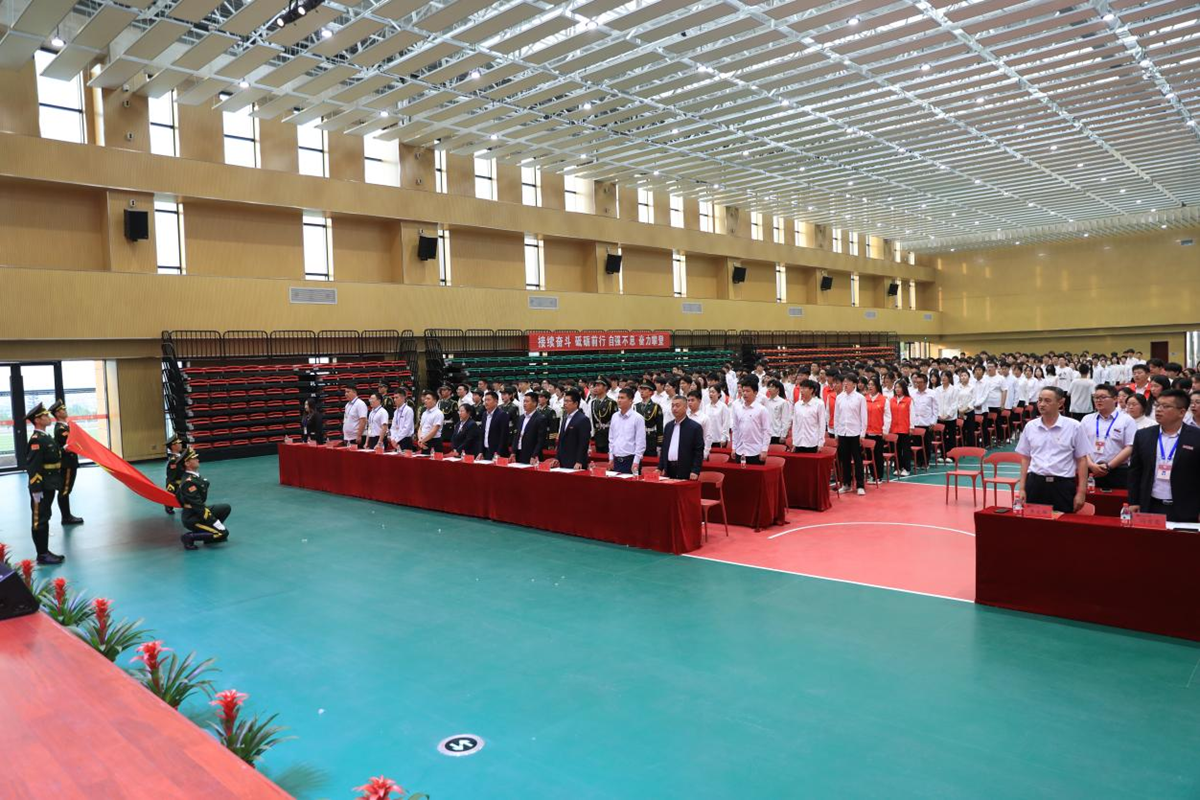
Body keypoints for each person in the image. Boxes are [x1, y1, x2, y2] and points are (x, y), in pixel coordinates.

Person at [1128, 389, 1200, 522]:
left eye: (1166, 406)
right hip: (1150, 504)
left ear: (1182, 412)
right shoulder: (1143, 435)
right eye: (1157, 405)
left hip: (1186, 507)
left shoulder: (1196, 437)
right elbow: (1135, 471)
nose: (1159, 410)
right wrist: (1134, 501)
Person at [1015, 387, 1090, 513]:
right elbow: (1025, 459)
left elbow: (1082, 460)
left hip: (1062, 485)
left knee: (1062, 522)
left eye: (1047, 401)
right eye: (1040, 400)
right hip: (1035, 483)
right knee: (1034, 522)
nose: (1042, 404)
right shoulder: (1030, 427)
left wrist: (1082, 492)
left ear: (1060, 403)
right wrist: (1022, 488)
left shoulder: (1074, 426)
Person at [24, 403, 65, 564]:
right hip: (41, 486)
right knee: (39, 519)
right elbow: (33, 467)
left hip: (50, 483)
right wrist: (36, 489)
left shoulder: (46, 437)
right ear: (38, 420)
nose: (49, 418)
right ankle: (42, 554)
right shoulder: (36, 440)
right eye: (45, 416)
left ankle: (45, 551)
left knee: (45, 516)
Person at [1081, 384, 1136, 491]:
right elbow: (1081, 445)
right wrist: (1091, 465)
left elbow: (1130, 447)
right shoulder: (1087, 419)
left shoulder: (1127, 420)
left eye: (1103, 397)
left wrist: (1109, 466)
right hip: (1091, 470)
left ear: (1115, 399)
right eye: (1096, 397)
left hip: (1118, 470)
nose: (1098, 400)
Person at [175, 447, 231, 551]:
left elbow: (178, 495)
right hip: (192, 518)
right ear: (187, 463)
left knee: (225, 508)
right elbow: (199, 506)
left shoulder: (193, 476)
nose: (197, 459)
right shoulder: (188, 482)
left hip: (197, 511)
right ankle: (189, 537)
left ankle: (208, 535)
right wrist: (215, 523)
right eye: (194, 458)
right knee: (223, 533)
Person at [49, 399, 84, 525]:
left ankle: (67, 516)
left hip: (70, 462)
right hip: (67, 463)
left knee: (65, 490)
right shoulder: (60, 429)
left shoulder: (65, 426)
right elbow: (67, 445)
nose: (65, 410)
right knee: (64, 490)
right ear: (57, 414)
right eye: (62, 409)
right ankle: (66, 517)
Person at [834, 373, 868, 495]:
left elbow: (863, 417)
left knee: (858, 460)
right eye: (844, 381)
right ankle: (846, 484)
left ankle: (860, 485)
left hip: (855, 433)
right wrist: (836, 433)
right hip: (843, 432)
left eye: (848, 382)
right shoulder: (839, 397)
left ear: (854, 384)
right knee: (845, 459)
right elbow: (837, 416)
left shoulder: (860, 398)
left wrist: (862, 434)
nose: (845, 384)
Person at [659, 396, 705, 480]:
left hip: (686, 469)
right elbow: (664, 449)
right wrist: (660, 467)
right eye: (672, 406)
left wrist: (695, 471)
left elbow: (698, 452)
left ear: (685, 407)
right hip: (669, 468)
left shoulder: (695, 427)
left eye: (677, 406)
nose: (674, 408)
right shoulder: (668, 426)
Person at [731, 376, 771, 464]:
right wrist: (734, 447)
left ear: (755, 393)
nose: (744, 393)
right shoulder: (738, 409)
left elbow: (766, 431)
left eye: (748, 391)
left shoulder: (762, 410)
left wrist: (764, 450)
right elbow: (735, 429)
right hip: (740, 450)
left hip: (756, 451)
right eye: (743, 391)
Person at [554, 388, 591, 470]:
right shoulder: (565, 417)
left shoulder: (583, 419)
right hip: (563, 459)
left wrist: (579, 461)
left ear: (576, 403)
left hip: (575, 461)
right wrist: (557, 457)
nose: (565, 404)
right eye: (564, 401)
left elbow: (583, 443)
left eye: (568, 401)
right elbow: (561, 439)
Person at [513, 391, 549, 464]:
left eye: (527, 401)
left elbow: (541, 440)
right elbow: (516, 436)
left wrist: (534, 455)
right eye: (524, 401)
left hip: (531, 455)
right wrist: (513, 452)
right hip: (518, 453)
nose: (524, 404)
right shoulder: (521, 418)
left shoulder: (540, 418)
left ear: (534, 403)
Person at [791, 379, 827, 453]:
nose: (801, 391)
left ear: (811, 390)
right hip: (799, 442)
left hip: (812, 442)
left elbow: (822, 424)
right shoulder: (797, 405)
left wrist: (820, 443)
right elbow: (795, 424)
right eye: (801, 388)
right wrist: (794, 441)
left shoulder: (819, 404)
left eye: (804, 388)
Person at [910, 373, 938, 465]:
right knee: (916, 443)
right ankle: (918, 461)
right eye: (917, 382)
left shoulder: (932, 393)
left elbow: (935, 409)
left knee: (926, 444)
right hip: (916, 422)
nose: (918, 384)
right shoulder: (912, 393)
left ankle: (926, 462)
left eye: (920, 382)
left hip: (927, 423)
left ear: (926, 383)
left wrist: (933, 422)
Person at [890, 380, 914, 477]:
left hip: (905, 429)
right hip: (894, 429)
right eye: (896, 387)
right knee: (897, 450)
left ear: (904, 388)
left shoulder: (909, 400)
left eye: (899, 387)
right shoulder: (891, 400)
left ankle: (907, 468)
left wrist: (911, 427)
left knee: (906, 450)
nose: (897, 389)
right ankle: (898, 468)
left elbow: (912, 414)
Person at [588, 379, 617, 454]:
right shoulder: (593, 403)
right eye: (595, 386)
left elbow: (615, 421)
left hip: (608, 434)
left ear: (605, 387)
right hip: (597, 434)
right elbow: (591, 419)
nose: (595, 388)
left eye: (598, 386)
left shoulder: (611, 402)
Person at [478, 391, 509, 459]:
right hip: (486, 451)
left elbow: (504, 436)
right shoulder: (484, 414)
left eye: (488, 400)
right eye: (485, 400)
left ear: (496, 402)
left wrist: (499, 453)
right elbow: (482, 434)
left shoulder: (502, 415)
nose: (486, 402)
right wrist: (481, 451)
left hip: (497, 453)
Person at [636, 383, 664, 457]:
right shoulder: (636, 406)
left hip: (650, 438)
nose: (642, 391)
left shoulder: (655, 407)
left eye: (645, 389)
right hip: (638, 438)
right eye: (641, 389)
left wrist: (659, 444)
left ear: (651, 392)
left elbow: (660, 426)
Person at [763, 379, 792, 445]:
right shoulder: (766, 401)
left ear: (777, 389)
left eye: (772, 387)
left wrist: (783, 435)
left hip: (777, 434)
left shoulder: (783, 402)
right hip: (766, 433)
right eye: (769, 387)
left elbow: (786, 420)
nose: (769, 389)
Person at [164, 433, 186, 516]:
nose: (181, 444)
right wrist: (170, 487)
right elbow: (171, 476)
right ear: (173, 446)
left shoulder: (180, 456)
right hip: (177, 483)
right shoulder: (173, 460)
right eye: (178, 443)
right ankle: (168, 505)